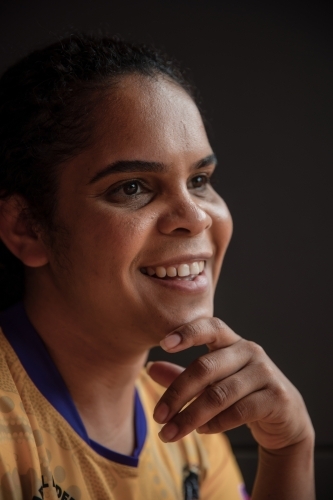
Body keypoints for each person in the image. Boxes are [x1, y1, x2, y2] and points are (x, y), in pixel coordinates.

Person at [0, 34, 315, 500]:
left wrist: (290, 451)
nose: (196, 217)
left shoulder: (188, 429)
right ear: (27, 227)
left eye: (200, 180)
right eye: (132, 188)